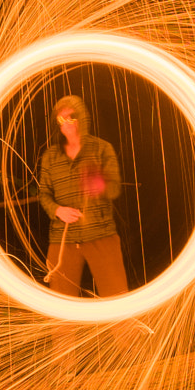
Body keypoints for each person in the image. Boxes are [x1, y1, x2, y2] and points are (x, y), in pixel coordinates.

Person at [37, 94, 128, 297]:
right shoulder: (50, 157)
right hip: (63, 240)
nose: (66, 124)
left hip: (101, 236)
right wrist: (58, 210)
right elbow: (44, 194)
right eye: (61, 119)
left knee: (117, 298)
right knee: (62, 307)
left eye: (71, 117)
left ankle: (124, 331)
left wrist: (99, 184)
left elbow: (115, 189)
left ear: (82, 119)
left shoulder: (101, 149)